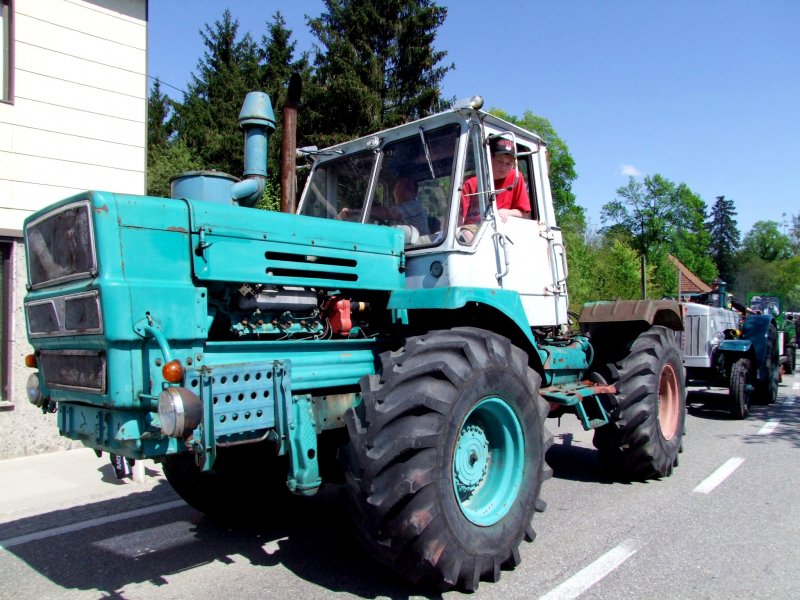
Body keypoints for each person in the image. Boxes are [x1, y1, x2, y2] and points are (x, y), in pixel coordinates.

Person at [458, 137, 531, 243]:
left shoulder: (516, 178)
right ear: (489, 158)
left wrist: (508, 212)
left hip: (503, 229)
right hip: (474, 227)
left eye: (508, 163)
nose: (504, 167)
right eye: (500, 161)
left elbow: (522, 213)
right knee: (466, 236)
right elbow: (460, 218)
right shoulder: (471, 182)